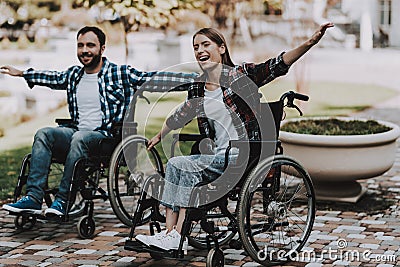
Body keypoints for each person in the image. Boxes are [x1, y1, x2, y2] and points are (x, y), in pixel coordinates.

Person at [135, 22, 334, 251]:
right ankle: (169, 235)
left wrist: (310, 42)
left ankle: (177, 236)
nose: (200, 50)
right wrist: (161, 134)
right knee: (174, 165)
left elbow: (277, 65)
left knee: (185, 166)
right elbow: (184, 111)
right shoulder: (198, 87)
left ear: (221, 48)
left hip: (243, 156)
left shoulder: (241, 76)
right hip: (218, 155)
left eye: (205, 44)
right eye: (195, 47)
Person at [1, 26, 194, 217]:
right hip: (77, 134)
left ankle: (63, 201)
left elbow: (154, 79)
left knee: (80, 137)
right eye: (80, 45)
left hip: (106, 139)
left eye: (90, 45)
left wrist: (193, 79)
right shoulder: (74, 75)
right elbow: (51, 77)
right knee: (44, 133)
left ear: (102, 48)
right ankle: (33, 199)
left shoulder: (120, 73)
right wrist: (22, 73)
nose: (85, 50)